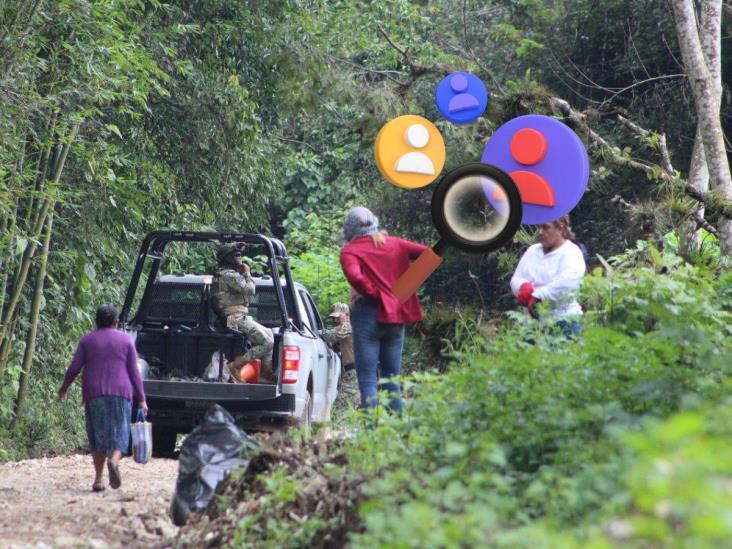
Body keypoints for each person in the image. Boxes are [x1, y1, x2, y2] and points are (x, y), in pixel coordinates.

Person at [339, 206, 428, 414]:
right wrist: (403, 289)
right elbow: (428, 255)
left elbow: (355, 277)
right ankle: (397, 434)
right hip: (395, 315)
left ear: (349, 229)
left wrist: (375, 294)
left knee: (368, 377)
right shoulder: (394, 243)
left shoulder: (350, 251)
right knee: (392, 379)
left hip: (367, 316)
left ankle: (372, 433)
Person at [58, 304, 147, 492]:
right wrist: (142, 399)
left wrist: (64, 388)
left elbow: (74, 367)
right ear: (117, 322)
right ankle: (114, 460)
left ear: (96, 321)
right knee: (121, 434)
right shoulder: (126, 340)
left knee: (97, 436)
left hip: (94, 392)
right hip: (121, 393)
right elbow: (134, 372)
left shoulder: (87, 340)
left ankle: (98, 480)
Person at [510, 215, 586, 336]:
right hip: (531, 325)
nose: (540, 232)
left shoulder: (571, 252)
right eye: (539, 227)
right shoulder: (532, 251)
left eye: (546, 227)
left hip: (563, 322)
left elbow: (567, 284)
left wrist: (538, 296)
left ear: (560, 228)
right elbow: (516, 278)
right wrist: (522, 287)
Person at [211, 243, 274, 383]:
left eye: (239, 254)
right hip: (234, 318)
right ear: (227, 258)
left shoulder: (230, 275)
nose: (239, 257)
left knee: (269, 333)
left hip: (239, 316)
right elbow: (250, 290)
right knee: (267, 343)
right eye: (235, 255)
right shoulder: (228, 275)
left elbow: (247, 296)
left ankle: (267, 371)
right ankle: (234, 367)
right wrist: (247, 273)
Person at [319, 302, 354, 372]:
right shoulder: (343, 328)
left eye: (338, 317)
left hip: (354, 369)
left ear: (347, 315)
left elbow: (332, 335)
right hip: (351, 368)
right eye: (333, 318)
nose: (335, 320)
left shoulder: (347, 327)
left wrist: (319, 332)